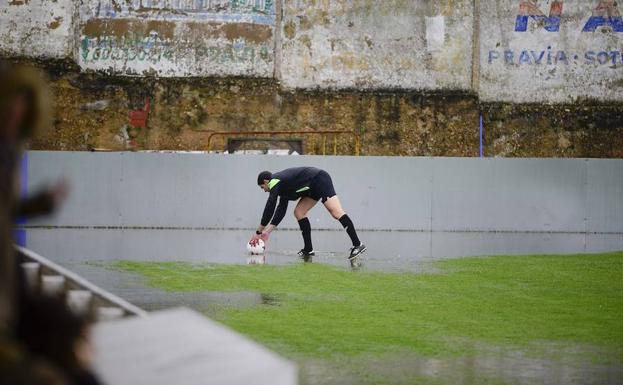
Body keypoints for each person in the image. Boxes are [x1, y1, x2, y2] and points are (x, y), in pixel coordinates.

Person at [252, 167, 366, 264]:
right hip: (311, 187)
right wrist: (267, 232)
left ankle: (358, 244)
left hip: (319, 179)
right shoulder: (281, 187)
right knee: (299, 212)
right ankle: (308, 249)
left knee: (336, 212)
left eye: (262, 187)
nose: (264, 190)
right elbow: (280, 210)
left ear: (266, 181)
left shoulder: (274, 181)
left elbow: (270, 206)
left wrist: (258, 232)